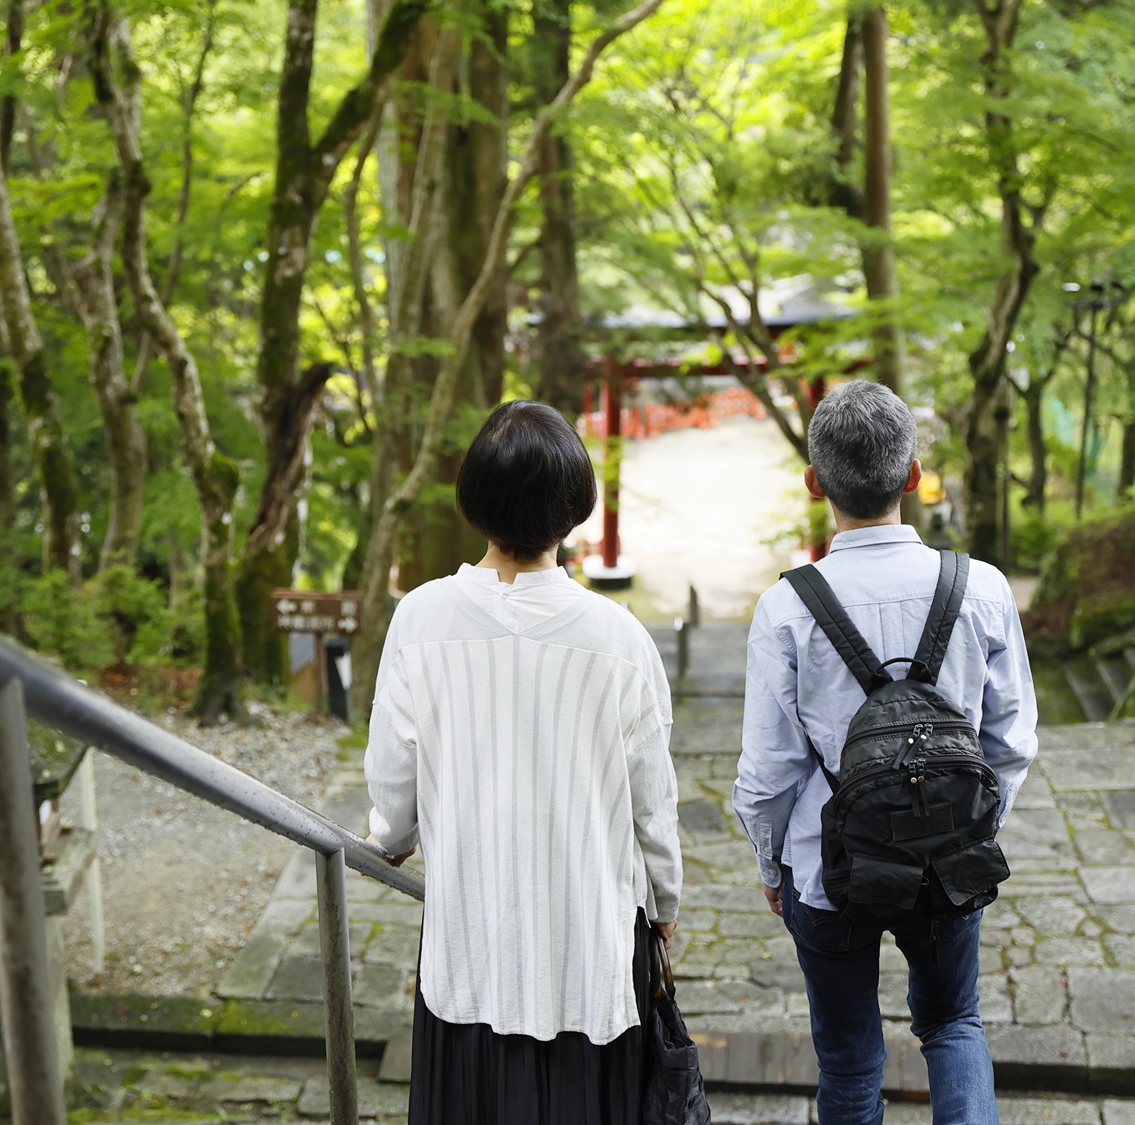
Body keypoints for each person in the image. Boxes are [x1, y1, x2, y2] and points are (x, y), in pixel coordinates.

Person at [365, 399, 683, 1125]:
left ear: (474, 501)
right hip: (590, 948)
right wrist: (663, 902)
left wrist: (391, 836)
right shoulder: (618, 637)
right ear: (573, 507)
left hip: (469, 945)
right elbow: (651, 803)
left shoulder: (420, 617)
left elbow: (392, 783)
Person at [734, 381, 1038, 1125]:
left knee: (847, 1059)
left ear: (814, 484)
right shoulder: (982, 588)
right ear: (913, 475)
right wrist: (972, 827)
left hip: (826, 865)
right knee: (952, 1022)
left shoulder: (788, 607)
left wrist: (772, 864)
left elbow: (770, 772)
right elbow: (1011, 738)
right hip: (947, 861)